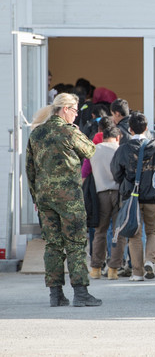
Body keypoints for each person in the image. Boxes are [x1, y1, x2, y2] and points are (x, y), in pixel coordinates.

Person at [26, 93, 102, 307]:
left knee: (53, 245)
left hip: (44, 197)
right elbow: (91, 150)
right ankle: (80, 292)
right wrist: (78, 133)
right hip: (68, 197)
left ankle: (55, 295)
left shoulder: (37, 133)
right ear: (66, 109)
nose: (77, 115)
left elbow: (29, 169)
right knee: (76, 243)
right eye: (75, 110)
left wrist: (35, 197)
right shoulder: (69, 132)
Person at [111, 112, 155, 281]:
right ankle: (150, 260)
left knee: (134, 234)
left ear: (130, 129)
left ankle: (137, 273)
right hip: (153, 197)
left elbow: (116, 173)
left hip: (131, 198)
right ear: (147, 128)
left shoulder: (124, 149)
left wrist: (126, 183)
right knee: (153, 231)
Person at [89, 126, 126, 280]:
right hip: (118, 194)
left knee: (100, 231)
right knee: (119, 232)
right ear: (117, 137)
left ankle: (96, 268)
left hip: (101, 193)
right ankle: (113, 270)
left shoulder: (93, 150)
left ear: (102, 136)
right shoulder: (120, 150)